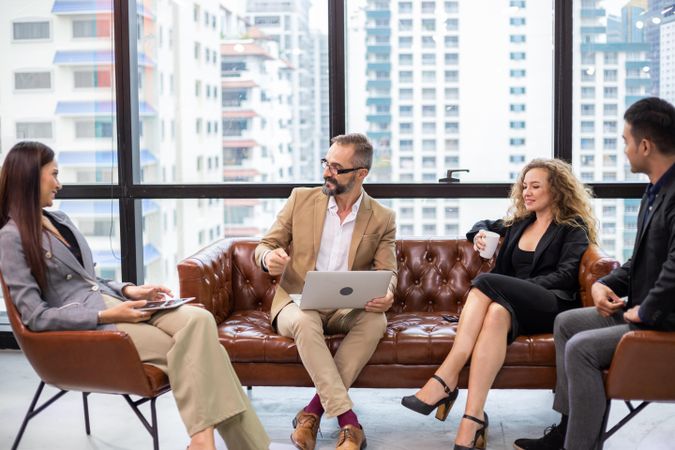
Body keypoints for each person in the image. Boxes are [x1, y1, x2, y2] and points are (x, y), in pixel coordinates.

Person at [0, 141, 270, 450]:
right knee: (205, 352)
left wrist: (130, 289)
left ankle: (201, 439)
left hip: (118, 302)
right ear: (30, 177)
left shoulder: (59, 220)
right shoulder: (10, 238)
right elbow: (35, 315)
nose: (59, 184)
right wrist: (109, 315)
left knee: (199, 320)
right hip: (92, 326)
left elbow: (90, 279)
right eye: (54, 174)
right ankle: (228, 443)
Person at [401, 158, 597, 450]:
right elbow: (482, 225)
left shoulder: (572, 227)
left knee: (484, 283)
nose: (527, 192)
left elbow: (566, 275)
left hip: (550, 304)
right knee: (495, 313)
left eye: (535, 186)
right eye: (524, 186)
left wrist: (519, 289)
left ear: (556, 191)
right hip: (511, 307)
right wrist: (478, 234)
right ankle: (472, 419)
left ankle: (446, 377)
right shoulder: (521, 223)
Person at [514, 97, 675, 450]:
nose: (625, 149)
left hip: (663, 322)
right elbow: (641, 260)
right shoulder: (654, 193)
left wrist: (645, 310)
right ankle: (567, 429)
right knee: (568, 323)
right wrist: (604, 283)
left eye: (625, 141)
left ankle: (579, 446)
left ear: (645, 145)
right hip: (644, 314)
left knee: (582, 348)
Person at [255, 133, 396, 450]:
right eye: (325, 163)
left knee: (376, 322)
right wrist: (269, 259)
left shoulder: (383, 217)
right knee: (306, 321)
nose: (326, 173)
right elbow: (265, 245)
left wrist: (386, 292)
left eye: (336, 167)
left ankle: (311, 414)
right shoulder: (301, 199)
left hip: (345, 308)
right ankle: (349, 423)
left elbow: (388, 271)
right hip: (296, 302)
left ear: (361, 174)